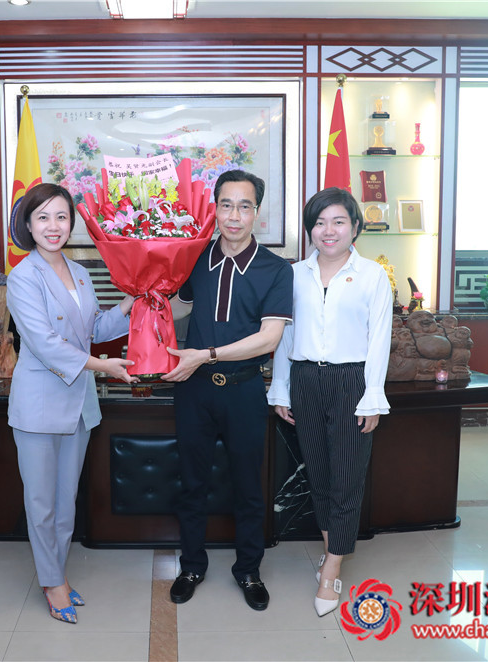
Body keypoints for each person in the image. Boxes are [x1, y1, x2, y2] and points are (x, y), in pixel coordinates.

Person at [162, 169, 293, 611]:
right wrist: (148, 298)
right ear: (214, 209)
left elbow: (269, 339)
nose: (234, 216)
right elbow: (180, 308)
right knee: (191, 483)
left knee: (248, 487)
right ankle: (191, 567)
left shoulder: (276, 270)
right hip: (194, 390)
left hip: (243, 390)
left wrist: (206, 354)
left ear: (257, 212)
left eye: (244, 206)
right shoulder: (194, 257)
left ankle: (248, 570)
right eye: (226, 205)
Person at [6, 183, 137, 624]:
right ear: (28, 225)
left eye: (61, 217)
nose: (53, 226)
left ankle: (55, 573)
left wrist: (133, 301)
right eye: (42, 217)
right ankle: (52, 583)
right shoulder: (23, 277)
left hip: (79, 404)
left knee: (66, 503)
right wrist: (104, 367)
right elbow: (45, 343)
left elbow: (94, 329)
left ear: (71, 223)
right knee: (41, 503)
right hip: (40, 406)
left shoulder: (80, 272)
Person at [267, 187, 393, 617]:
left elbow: (379, 340)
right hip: (304, 379)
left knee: (346, 477)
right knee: (318, 474)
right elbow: (283, 335)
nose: (328, 230)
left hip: (350, 381)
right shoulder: (293, 275)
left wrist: (372, 396)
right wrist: (281, 387)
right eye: (320, 223)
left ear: (355, 227)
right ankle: (331, 549)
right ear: (310, 230)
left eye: (338, 221)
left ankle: (332, 567)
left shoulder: (372, 275)